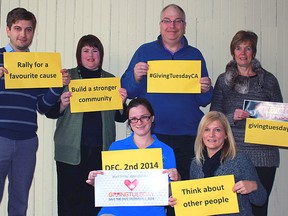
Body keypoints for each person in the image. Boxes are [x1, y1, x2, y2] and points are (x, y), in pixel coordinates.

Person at [121, 4, 213, 181]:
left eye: (178, 21)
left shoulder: (195, 55)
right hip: (153, 136)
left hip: (188, 136)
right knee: (154, 190)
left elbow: (204, 100)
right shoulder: (144, 51)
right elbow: (127, 91)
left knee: (184, 193)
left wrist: (207, 88)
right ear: (160, 25)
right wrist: (136, 76)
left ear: (184, 26)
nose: (172, 26)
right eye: (167, 21)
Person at [45, 34, 128, 216]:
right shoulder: (67, 77)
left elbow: (121, 118)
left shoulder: (110, 80)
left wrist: (122, 102)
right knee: (69, 204)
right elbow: (49, 111)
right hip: (70, 152)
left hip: (101, 152)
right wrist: (62, 104)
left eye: (95, 50)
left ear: (101, 54)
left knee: (96, 203)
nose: (90, 55)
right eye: (86, 50)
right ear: (79, 54)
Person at [0, 7, 69, 216]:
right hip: (0, 138)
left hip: (27, 142)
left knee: (20, 201)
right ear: (8, 30)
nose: (23, 34)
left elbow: (42, 106)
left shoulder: (40, 65)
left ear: (33, 32)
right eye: (18, 28)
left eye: (28, 29)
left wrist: (56, 86)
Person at [210, 30, 283, 216]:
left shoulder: (269, 80)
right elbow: (213, 117)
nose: (243, 53)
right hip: (232, 155)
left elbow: (281, 119)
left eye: (248, 48)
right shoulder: (223, 81)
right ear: (232, 52)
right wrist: (231, 116)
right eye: (238, 48)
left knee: (259, 207)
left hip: (264, 156)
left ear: (254, 52)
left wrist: (261, 114)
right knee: (231, 208)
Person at [86, 98, 180, 216]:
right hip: (115, 211)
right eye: (134, 119)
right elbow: (110, 186)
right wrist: (97, 182)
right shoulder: (116, 147)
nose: (139, 122)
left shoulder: (166, 150)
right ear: (129, 122)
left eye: (144, 117)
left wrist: (177, 179)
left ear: (152, 118)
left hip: (151, 212)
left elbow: (170, 191)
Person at [169, 111, 267, 215]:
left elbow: (261, 200)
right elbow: (195, 200)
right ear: (201, 134)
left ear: (226, 135)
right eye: (207, 130)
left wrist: (253, 186)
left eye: (217, 130)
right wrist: (178, 201)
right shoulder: (196, 164)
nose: (211, 135)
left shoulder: (240, 160)